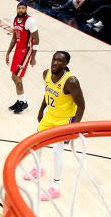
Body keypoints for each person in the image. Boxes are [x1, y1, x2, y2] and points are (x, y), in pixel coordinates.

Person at [25, 51, 86, 201]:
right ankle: (38, 168)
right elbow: (47, 94)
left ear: (66, 64)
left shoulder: (71, 81)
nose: (55, 63)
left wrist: (74, 127)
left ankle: (56, 187)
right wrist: (41, 110)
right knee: (36, 143)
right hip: (49, 117)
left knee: (56, 152)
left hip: (64, 121)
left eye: (60, 61)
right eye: (54, 59)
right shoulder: (46, 74)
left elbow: (81, 106)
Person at [5, 0, 39, 114]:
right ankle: (20, 100)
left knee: (16, 76)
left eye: (23, 8)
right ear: (17, 9)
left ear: (26, 9)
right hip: (18, 50)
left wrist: (33, 57)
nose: (21, 10)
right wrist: (8, 52)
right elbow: (14, 38)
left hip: (26, 50)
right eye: (19, 8)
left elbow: (37, 40)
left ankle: (23, 101)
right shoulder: (15, 19)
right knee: (14, 77)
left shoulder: (30, 21)